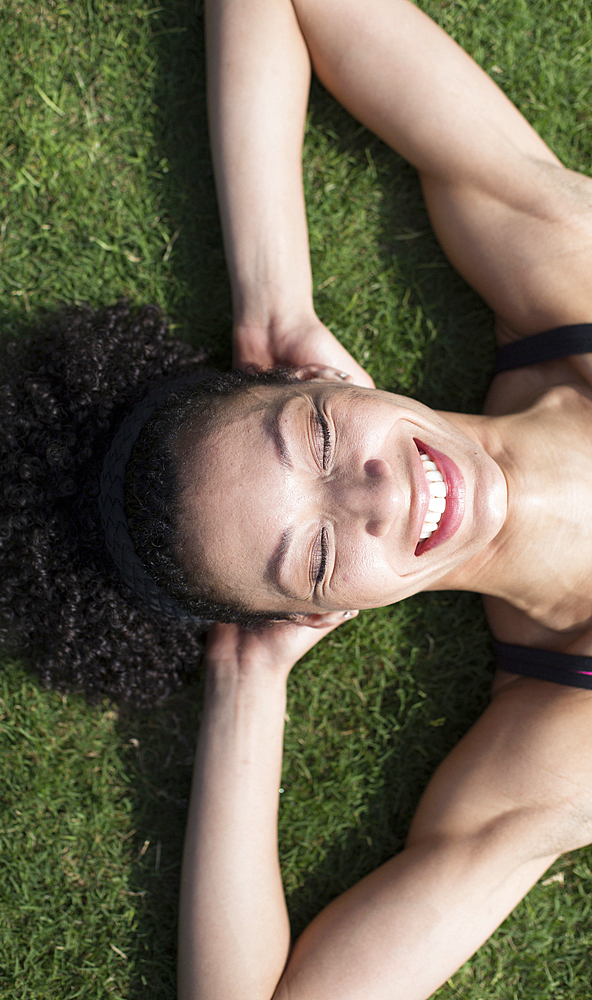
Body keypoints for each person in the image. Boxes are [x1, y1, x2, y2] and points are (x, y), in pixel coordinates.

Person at [174, 1, 592, 998]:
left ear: (326, 378)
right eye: (314, 558)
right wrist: (247, 685)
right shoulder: (558, 748)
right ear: (322, 612)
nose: (373, 495)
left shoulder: (565, 276)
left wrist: (273, 300)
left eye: (316, 432)